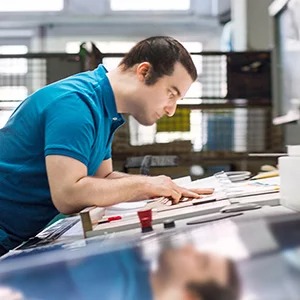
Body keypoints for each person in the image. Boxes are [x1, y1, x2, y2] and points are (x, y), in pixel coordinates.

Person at [0, 36, 213, 254]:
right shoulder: (76, 105)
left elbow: (103, 179)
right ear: (144, 72)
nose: (171, 110)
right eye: (171, 94)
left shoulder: (104, 108)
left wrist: (163, 186)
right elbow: (68, 194)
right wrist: (146, 186)